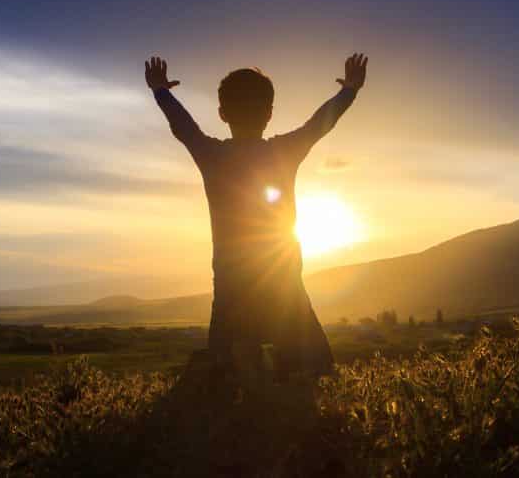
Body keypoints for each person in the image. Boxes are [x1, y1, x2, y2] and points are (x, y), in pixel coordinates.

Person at [146, 53, 367, 376]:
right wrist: (349, 89)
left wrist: (161, 92)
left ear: (222, 113)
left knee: (227, 382)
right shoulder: (284, 151)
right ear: (269, 113)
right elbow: (321, 123)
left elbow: (184, 127)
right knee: (315, 377)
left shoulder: (212, 155)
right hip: (284, 288)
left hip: (231, 294)